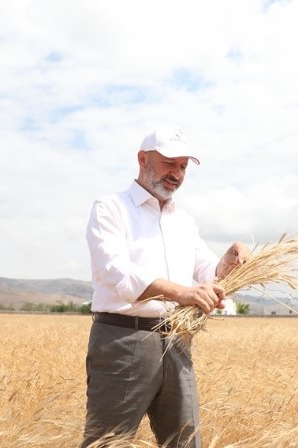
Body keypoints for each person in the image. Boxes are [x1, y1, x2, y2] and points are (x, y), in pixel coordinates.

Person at [82, 126, 249, 448]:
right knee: (107, 443)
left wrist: (228, 261)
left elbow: (208, 272)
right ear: (143, 159)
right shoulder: (110, 208)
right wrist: (181, 293)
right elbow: (116, 270)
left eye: (184, 167)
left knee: (185, 442)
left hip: (177, 339)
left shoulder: (183, 221)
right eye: (169, 163)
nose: (177, 174)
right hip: (124, 339)